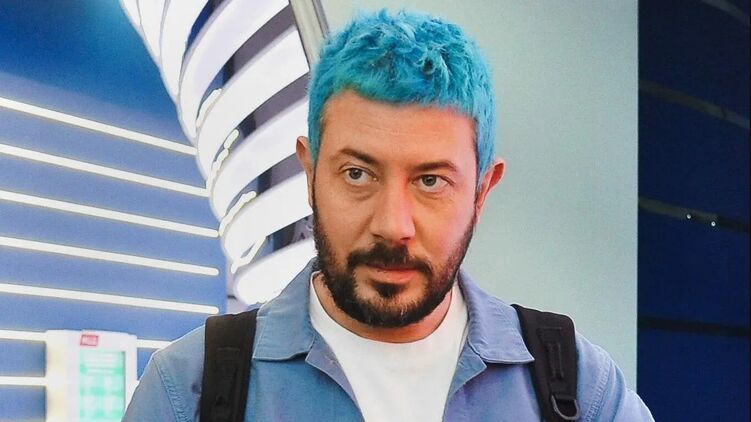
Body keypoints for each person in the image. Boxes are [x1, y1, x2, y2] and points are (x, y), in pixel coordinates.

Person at [124, 9, 653, 421]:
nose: (392, 225)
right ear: (310, 173)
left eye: (431, 181)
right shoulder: (188, 390)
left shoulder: (579, 388)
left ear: (481, 192)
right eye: (357, 174)